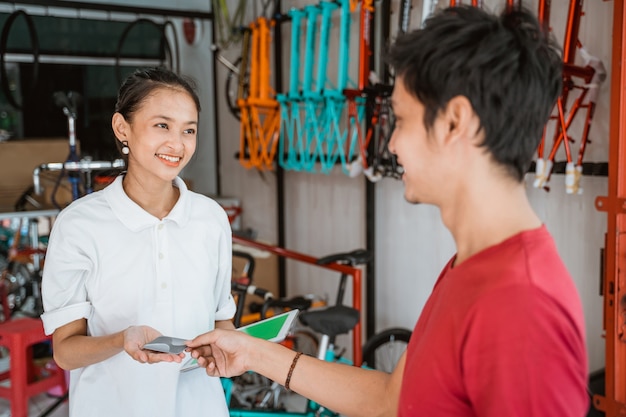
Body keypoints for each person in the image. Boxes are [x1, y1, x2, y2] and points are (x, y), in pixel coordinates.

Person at [186, 5, 589, 417]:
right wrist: (253, 354)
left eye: (400, 119)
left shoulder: (522, 304)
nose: (392, 144)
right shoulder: (468, 266)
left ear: (455, 123)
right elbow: (390, 400)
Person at [40, 67, 236, 416]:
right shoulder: (79, 225)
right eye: (162, 125)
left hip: (200, 407)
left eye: (188, 130)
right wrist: (121, 340)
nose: (177, 144)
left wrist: (239, 349)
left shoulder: (211, 219)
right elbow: (65, 351)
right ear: (122, 128)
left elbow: (222, 322)